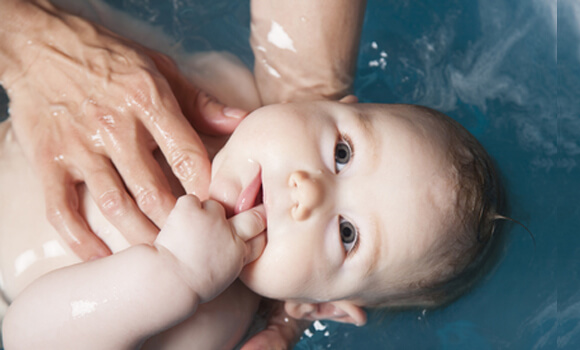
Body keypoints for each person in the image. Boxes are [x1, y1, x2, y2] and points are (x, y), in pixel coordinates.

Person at [0, 0, 366, 347]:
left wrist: (177, 278)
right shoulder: (227, 97)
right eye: (342, 154)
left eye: (347, 233)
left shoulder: (212, 319)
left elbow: (24, 338)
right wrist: (34, 47)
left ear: (325, 305)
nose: (311, 189)